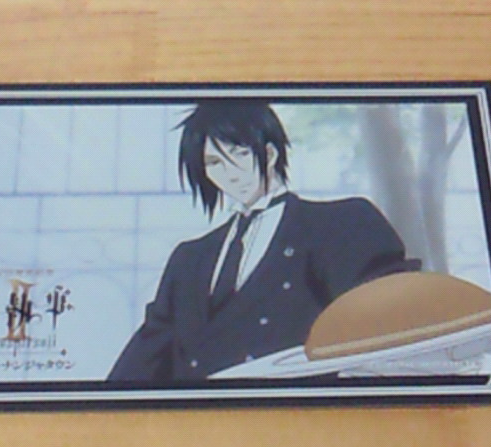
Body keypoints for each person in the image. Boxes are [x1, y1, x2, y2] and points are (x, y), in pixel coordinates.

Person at [108, 100, 419, 381]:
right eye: (214, 163)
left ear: (269, 153)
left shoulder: (341, 224)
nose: (230, 173)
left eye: (240, 154)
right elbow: (146, 355)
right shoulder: (189, 259)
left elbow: (385, 331)